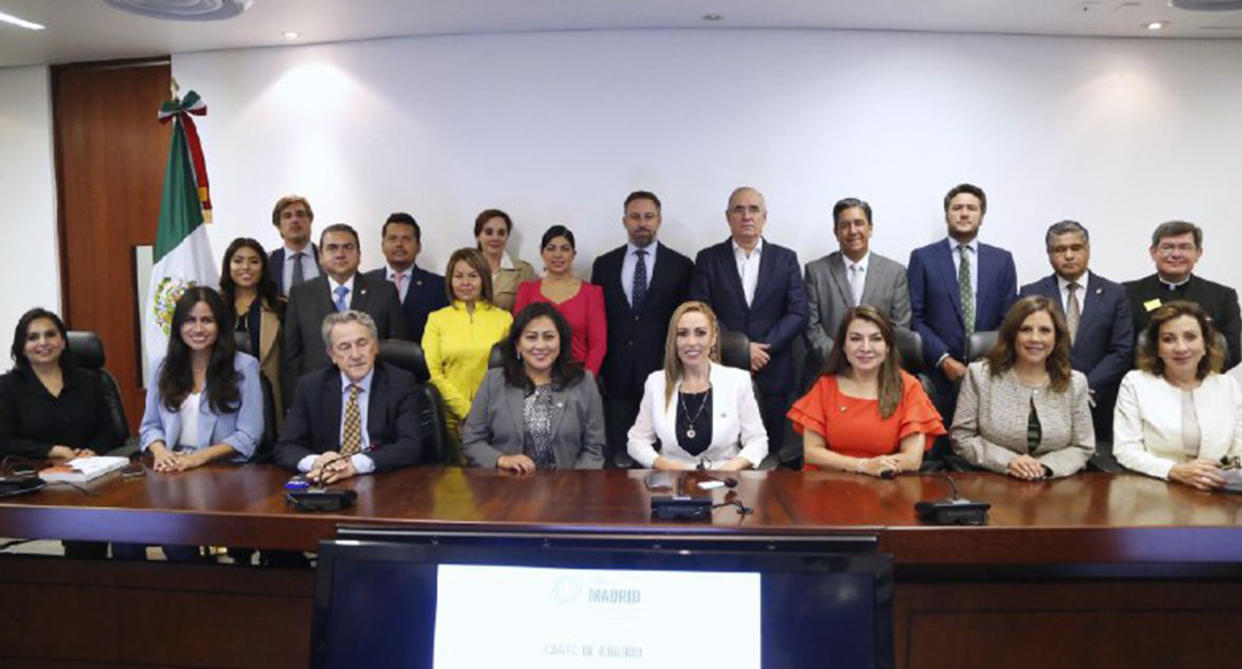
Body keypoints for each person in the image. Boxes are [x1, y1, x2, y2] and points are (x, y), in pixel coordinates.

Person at [121, 287, 263, 562]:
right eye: (189, 320)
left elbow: (249, 434)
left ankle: (190, 599)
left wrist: (197, 458)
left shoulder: (244, 366)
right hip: (171, 470)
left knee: (177, 539)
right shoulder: (162, 366)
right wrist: (162, 453)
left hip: (222, 473)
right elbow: (149, 426)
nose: (198, 328)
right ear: (178, 326)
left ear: (220, 325)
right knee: (125, 534)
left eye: (207, 320)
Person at [690, 187, 808, 461]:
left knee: (771, 454)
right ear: (728, 217)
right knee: (725, 453)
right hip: (722, 367)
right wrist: (741, 349)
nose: (746, 216)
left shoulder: (785, 258)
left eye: (753, 209)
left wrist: (763, 349)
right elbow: (701, 310)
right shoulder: (708, 258)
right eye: (738, 209)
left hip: (773, 367)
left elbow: (798, 312)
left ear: (764, 217)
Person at [591, 190, 694, 467]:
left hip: (665, 375)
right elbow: (598, 322)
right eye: (635, 216)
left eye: (648, 216)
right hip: (617, 377)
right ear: (624, 221)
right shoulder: (604, 265)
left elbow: (687, 326)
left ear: (659, 220)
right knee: (619, 458)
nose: (642, 223)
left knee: (663, 458)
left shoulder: (681, 266)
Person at [950, 296, 1095, 479]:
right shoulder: (980, 376)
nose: (1035, 338)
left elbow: (1083, 446)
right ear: (1012, 335)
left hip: (1056, 488)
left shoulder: (1075, 383)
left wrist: (1044, 466)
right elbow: (962, 438)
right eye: (1025, 330)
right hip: (993, 482)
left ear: (1057, 337)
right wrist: (1009, 461)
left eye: (1044, 331)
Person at [788, 306, 943, 476]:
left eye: (876, 339)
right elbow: (812, 453)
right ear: (843, 347)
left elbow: (912, 460)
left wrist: (875, 468)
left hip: (885, 487)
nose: (866, 348)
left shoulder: (909, 387)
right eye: (856, 339)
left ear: (888, 347)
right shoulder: (825, 386)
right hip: (828, 484)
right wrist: (862, 465)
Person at [908, 183, 1017, 419]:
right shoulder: (923, 258)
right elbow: (915, 317)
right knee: (938, 444)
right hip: (937, 374)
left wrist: (987, 361)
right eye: (957, 208)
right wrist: (944, 359)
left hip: (990, 374)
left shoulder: (1002, 260)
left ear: (982, 216)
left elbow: (1009, 318)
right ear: (947, 214)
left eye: (972, 208)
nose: (964, 213)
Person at [275, 310, 424, 481]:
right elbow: (285, 446)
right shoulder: (311, 386)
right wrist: (318, 462)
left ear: (375, 346)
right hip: (326, 480)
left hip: (384, 479)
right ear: (331, 354)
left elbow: (410, 446)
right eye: (344, 347)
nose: (355, 355)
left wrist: (354, 465)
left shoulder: (401, 383)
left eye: (362, 343)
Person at [1019, 220, 1133, 441]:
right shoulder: (1031, 293)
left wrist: (1085, 388)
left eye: (1076, 248)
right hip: (1045, 398)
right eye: (1060, 249)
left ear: (1088, 250)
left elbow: (1121, 349)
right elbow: (1026, 346)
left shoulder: (1114, 293)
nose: (1068, 255)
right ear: (1049, 254)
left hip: (1099, 401)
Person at [1113, 301, 1242, 491]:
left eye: (1190, 337)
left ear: (1205, 343)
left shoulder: (1227, 386)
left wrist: (1231, 470)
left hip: (1216, 490)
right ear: (1156, 347)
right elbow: (1126, 450)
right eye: (1168, 339)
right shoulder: (1135, 383)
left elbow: (1239, 445)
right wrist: (1174, 470)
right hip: (1154, 491)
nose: (1181, 348)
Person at [460, 303, 605, 471]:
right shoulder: (495, 381)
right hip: (507, 487)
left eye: (549, 337)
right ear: (517, 344)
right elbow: (472, 441)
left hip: (568, 488)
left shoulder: (583, 382)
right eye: (531, 337)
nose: (541, 346)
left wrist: (573, 483)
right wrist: (501, 459)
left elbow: (594, 448)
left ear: (561, 342)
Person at [627, 301, 768, 471]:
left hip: (724, 484)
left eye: (700, 333)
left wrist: (727, 470)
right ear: (674, 339)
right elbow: (636, 442)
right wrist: (667, 466)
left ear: (713, 338)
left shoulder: (737, 381)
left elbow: (757, 441)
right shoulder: (656, 383)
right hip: (671, 483)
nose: (691, 342)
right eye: (682, 334)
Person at [282, 223, 408, 408]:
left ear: (359, 254)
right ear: (321, 257)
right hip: (318, 400)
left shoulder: (384, 292)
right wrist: (295, 404)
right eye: (332, 248)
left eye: (348, 247)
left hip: (376, 398)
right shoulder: (301, 294)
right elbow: (291, 357)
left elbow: (399, 349)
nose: (340, 254)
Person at [804, 197, 911, 386]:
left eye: (859, 223)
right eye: (845, 225)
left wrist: (869, 360)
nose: (852, 231)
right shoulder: (816, 271)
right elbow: (811, 327)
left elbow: (899, 327)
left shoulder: (895, 273)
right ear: (836, 232)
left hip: (880, 377)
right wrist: (842, 358)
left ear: (870, 228)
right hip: (827, 373)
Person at [0, 308, 124, 460]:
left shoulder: (90, 381)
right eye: (33, 337)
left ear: (63, 342)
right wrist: (51, 451)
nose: (43, 342)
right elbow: (6, 442)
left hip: (90, 468)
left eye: (50, 335)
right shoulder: (7, 387)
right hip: (35, 473)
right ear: (22, 348)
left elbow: (110, 431)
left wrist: (92, 451)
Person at [423, 248, 514, 438]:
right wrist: (465, 411)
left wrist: (481, 415)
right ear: (450, 280)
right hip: (449, 421)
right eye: (458, 276)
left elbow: (511, 371)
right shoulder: (436, 319)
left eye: (473, 276)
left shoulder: (504, 319)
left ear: (484, 279)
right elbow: (432, 372)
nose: (465, 283)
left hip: (495, 419)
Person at [1124, 220, 1240, 368]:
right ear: (1153, 252)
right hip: (1143, 383)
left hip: (1202, 385)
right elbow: (1119, 347)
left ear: (1198, 253)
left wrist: (1194, 376)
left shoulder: (1223, 296)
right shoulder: (1126, 293)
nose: (1176, 254)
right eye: (1167, 247)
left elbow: (1233, 350)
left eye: (1185, 247)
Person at [514, 225, 607, 376]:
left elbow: (598, 344)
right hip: (533, 376)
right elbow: (518, 337)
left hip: (577, 375)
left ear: (573, 254)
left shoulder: (591, 293)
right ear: (542, 252)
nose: (558, 254)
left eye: (565, 249)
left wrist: (586, 380)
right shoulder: (527, 291)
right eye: (551, 248)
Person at [220, 237, 286, 421]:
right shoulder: (215, 306)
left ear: (264, 267)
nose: (246, 267)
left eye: (254, 261)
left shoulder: (280, 307)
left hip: (268, 396)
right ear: (228, 266)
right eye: (238, 261)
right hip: (222, 393)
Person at [364, 212, 448, 344]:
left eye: (407, 239)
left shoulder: (439, 286)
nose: (399, 244)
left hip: (422, 361)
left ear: (418, 246)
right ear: (382, 245)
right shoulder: (365, 283)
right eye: (392, 238)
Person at [475, 208, 536, 311]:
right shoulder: (465, 267)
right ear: (478, 236)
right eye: (489, 232)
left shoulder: (524, 271)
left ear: (507, 236)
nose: (495, 238)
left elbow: (527, 314)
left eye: (501, 233)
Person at [266, 195, 319, 297]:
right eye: (287, 216)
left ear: (310, 221)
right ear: (278, 226)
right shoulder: (268, 261)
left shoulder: (326, 257)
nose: (294, 220)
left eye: (300, 214)